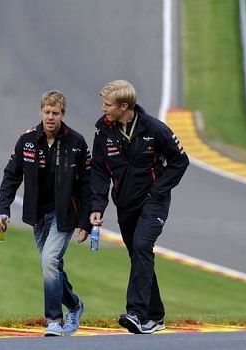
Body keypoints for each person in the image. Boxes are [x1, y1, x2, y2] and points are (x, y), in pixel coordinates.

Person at [90, 80, 189, 334]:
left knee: (143, 246)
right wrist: (97, 206)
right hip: (125, 204)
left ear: (124, 106)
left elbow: (180, 161)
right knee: (138, 255)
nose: (103, 109)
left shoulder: (155, 129)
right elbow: (99, 171)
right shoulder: (103, 131)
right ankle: (154, 316)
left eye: (108, 105)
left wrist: (158, 190)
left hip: (153, 202)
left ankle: (135, 312)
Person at [0, 90, 91, 337]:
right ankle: (75, 305)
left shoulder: (76, 143)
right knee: (51, 265)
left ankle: (54, 320)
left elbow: (86, 185)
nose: (50, 117)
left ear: (63, 115)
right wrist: (2, 209)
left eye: (55, 113)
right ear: (41, 112)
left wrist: (85, 221)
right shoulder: (26, 141)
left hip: (65, 215)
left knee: (49, 261)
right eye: (46, 112)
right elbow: (11, 176)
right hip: (37, 215)